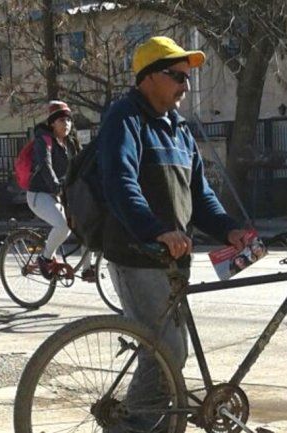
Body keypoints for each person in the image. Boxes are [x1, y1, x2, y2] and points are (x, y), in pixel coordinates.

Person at [94, 36, 247, 432]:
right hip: (137, 254)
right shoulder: (124, 118)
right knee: (166, 352)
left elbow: (201, 194)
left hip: (174, 259)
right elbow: (120, 183)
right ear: (149, 77)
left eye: (188, 76)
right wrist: (156, 230)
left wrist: (229, 230)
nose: (186, 85)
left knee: (165, 357)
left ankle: (150, 426)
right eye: (177, 75)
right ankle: (131, 428)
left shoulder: (178, 129)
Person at [26, 100, 94, 282]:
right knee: (63, 226)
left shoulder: (71, 143)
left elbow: (82, 167)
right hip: (40, 194)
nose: (67, 124)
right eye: (62, 121)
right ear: (52, 123)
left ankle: (88, 269)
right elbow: (45, 165)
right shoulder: (44, 140)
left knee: (87, 223)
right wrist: (56, 186)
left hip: (62, 194)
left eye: (69, 121)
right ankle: (45, 257)